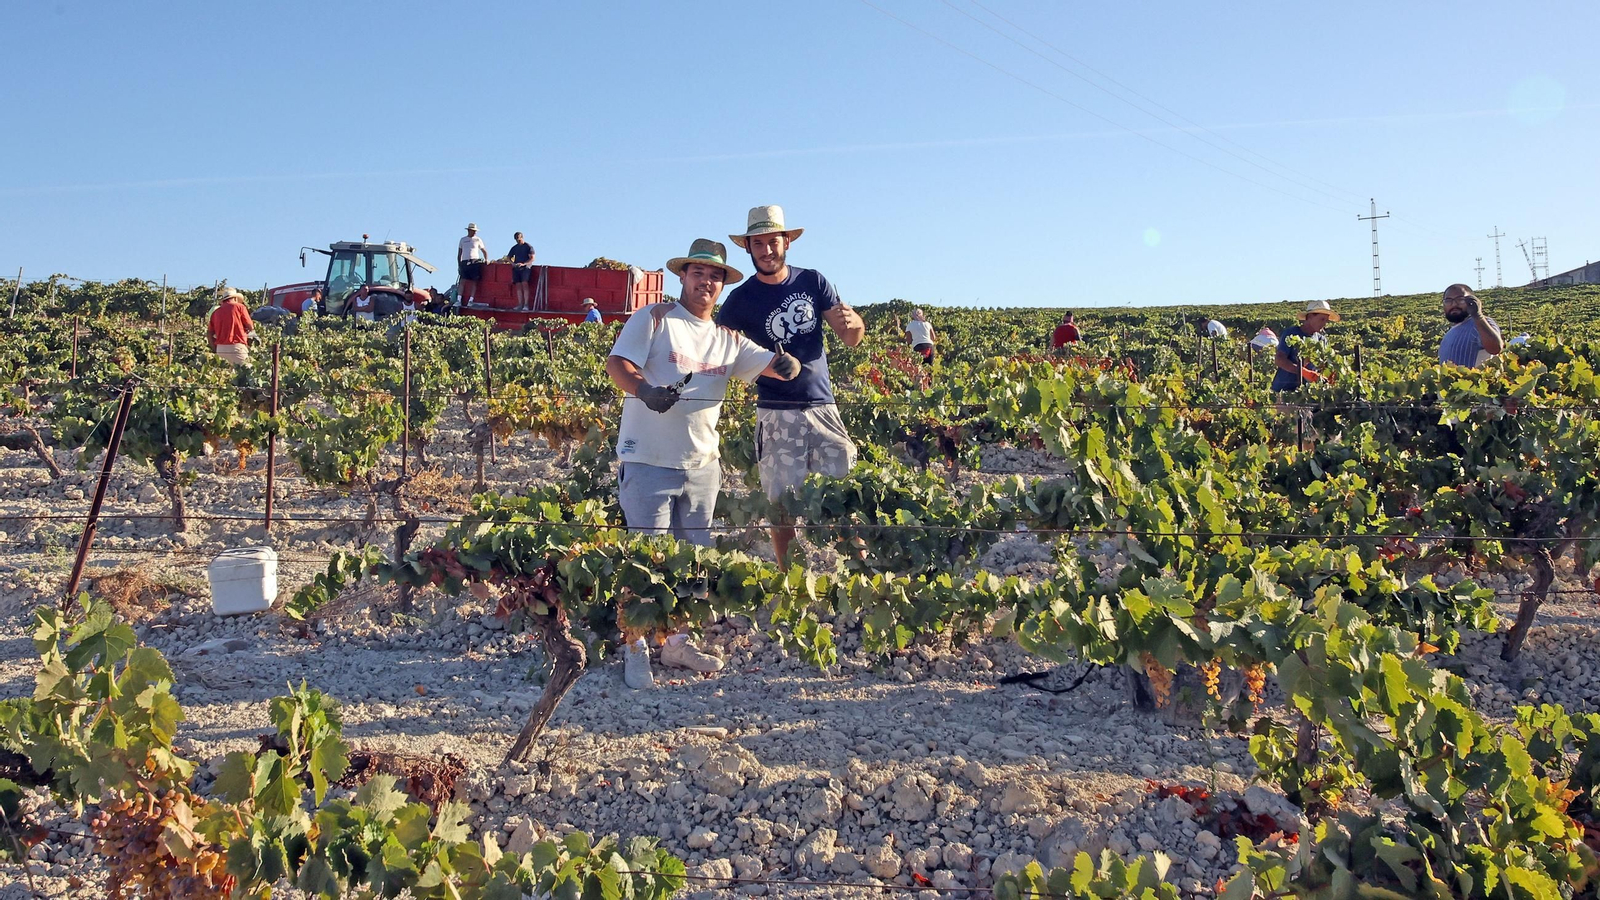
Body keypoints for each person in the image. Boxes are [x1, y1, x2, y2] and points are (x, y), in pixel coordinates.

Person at [605, 238, 801, 689]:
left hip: (701, 465)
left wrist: (786, 364)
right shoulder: (654, 319)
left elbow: (767, 363)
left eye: (715, 276)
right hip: (648, 459)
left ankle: (676, 642)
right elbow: (618, 364)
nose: (707, 282)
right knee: (644, 557)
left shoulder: (726, 339)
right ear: (683, 276)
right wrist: (644, 391)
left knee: (691, 560)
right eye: (699, 273)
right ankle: (636, 646)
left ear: (721, 284)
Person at [715, 205, 865, 565]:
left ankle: (860, 566)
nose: (767, 251)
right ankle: (790, 576)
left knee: (845, 491)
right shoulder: (739, 300)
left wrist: (856, 322)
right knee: (780, 504)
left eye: (773, 242)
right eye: (759, 244)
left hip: (822, 406)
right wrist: (768, 367)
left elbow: (850, 336)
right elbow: (723, 352)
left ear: (787, 243)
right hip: (776, 413)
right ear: (748, 248)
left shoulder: (812, 281)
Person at [1271, 299, 1338, 392]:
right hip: (1284, 390)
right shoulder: (1292, 334)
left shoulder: (1322, 340)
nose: (1324, 324)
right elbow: (1280, 359)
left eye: (1326, 321)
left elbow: (1325, 365)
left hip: (1308, 392)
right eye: (1322, 319)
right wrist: (1302, 371)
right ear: (1310, 317)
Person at [1438, 283, 1503, 367]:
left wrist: (1478, 316)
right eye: (1448, 301)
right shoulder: (1449, 334)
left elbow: (1495, 348)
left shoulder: (1481, 323)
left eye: (1460, 299)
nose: (1454, 304)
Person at [208, 287, 254, 365]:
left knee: (226, 375)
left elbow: (209, 333)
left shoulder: (215, 312)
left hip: (220, 349)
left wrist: (215, 349)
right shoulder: (240, 307)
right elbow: (250, 326)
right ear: (235, 298)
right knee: (247, 373)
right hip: (237, 348)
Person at [458, 223, 488, 306]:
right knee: (462, 281)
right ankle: (459, 300)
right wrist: (459, 264)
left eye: (475, 231)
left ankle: (471, 300)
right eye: (473, 231)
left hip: (474, 262)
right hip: (464, 261)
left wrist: (486, 259)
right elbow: (459, 253)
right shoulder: (462, 240)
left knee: (474, 281)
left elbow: (484, 251)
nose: (475, 232)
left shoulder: (478, 240)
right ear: (469, 230)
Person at [508, 232, 537, 309]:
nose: (517, 240)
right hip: (516, 268)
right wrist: (513, 263)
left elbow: (532, 258)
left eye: (519, 238)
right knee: (518, 286)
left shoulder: (528, 247)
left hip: (525, 268)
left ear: (522, 237)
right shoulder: (514, 248)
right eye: (516, 239)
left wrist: (524, 264)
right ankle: (520, 304)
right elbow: (508, 257)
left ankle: (526, 304)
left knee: (524, 284)